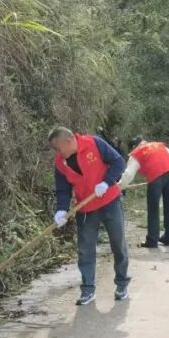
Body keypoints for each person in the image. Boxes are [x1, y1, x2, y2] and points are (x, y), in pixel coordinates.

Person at [49, 127, 130, 306]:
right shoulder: (60, 163)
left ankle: (122, 284)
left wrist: (106, 182)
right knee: (85, 249)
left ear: (68, 141)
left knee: (118, 243)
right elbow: (63, 190)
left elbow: (118, 162)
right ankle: (87, 290)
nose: (57, 152)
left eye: (58, 148)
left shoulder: (94, 143)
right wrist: (61, 210)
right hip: (85, 208)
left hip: (109, 200)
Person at [121, 137, 169, 248]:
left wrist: (119, 186)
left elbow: (128, 174)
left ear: (134, 147)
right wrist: (166, 171)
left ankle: (152, 240)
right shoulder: (158, 145)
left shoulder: (137, 152)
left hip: (155, 177)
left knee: (153, 208)